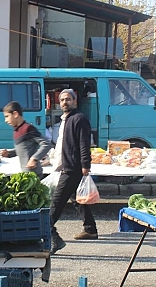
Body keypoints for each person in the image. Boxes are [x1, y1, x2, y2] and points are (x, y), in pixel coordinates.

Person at [49, 89, 98, 254]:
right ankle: (90, 229)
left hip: (73, 168)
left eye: (68, 99)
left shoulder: (79, 119)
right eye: (62, 100)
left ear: (75, 101)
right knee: (77, 199)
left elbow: (84, 144)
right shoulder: (65, 119)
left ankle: (46, 231)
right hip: (66, 165)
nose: (64, 102)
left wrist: (86, 165)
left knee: (57, 201)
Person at [0, 101, 52, 178]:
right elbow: (24, 149)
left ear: (15, 114)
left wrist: (34, 158)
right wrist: (9, 154)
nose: (6, 120)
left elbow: (46, 143)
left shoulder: (28, 128)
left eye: (7, 116)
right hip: (26, 175)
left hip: (35, 175)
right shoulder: (17, 131)